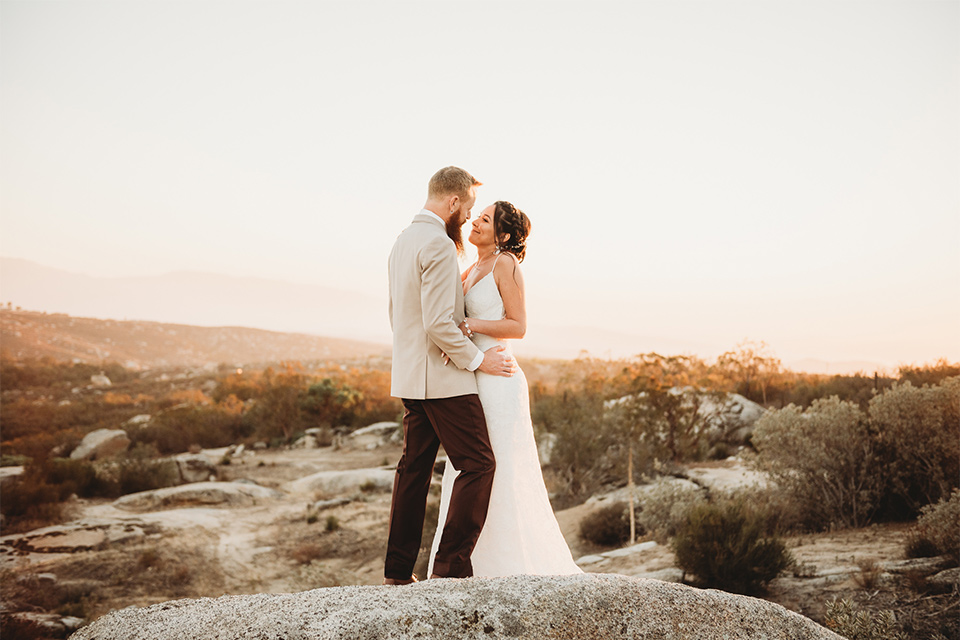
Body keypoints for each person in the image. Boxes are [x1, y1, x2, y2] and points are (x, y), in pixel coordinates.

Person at [428, 200, 583, 577]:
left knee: (499, 468)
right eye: (478, 216)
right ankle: (464, 561)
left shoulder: (505, 264)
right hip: (473, 376)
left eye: (485, 219)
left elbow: (518, 325)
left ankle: (507, 566)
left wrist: (472, 327)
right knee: (469, 467)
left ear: (504, 235)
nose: (476, 222)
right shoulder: (469, 269)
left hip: (500, 379)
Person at [383, 167, 517, 585]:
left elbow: (398, 314)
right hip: (442, 380)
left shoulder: (403, 241)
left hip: (410, 376)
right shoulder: (439, 246)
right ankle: (450, 569)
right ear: (454, 202)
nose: (469, 217)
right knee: (478, 464)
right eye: (470, 208)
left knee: (413, 472)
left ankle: (397, 572)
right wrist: (478, 362)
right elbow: (439, 324)